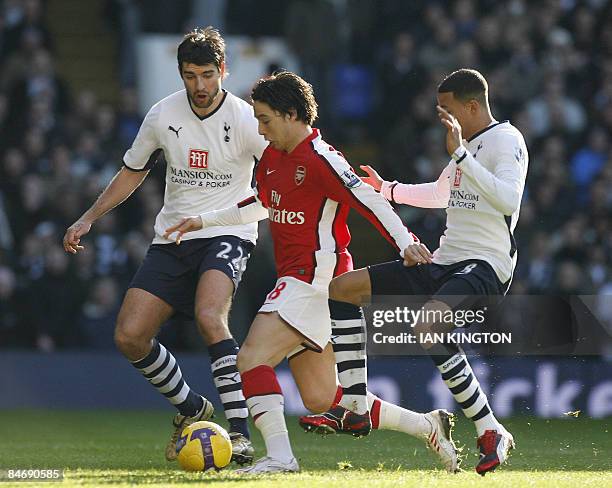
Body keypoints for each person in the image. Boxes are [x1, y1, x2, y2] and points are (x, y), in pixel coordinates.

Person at [164, 71, 459, 474]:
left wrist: (404, 241)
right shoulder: (272, 157)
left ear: (291, 115)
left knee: (250, 358)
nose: (260, 129)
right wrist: (204, 220)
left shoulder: (323, 159)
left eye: (265, 119)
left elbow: (369, 200)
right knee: (322, 398)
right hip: (300, 280)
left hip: (316, 280)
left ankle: (281, 459)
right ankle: (426, 425)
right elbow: (260, 203)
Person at [300, 68, 528, 475]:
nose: (441, 115)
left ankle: (490, 428)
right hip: (444, 260)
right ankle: (355, 403)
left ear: (472, 105)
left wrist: (460, 154)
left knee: (429, 325)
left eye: (447, 108)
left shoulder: (506, 140)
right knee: (342, 289)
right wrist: (388, 189)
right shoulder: (468, 146)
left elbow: (509, 200)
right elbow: (443, 192)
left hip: (486, 264)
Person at [62, 27, 267, 465]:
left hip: (226, 233)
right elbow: (132, 171)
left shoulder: (247, 119)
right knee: (130, 336)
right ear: (181, 74)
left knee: (211, 318)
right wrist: (88, 217)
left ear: (223, 72)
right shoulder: (162, 114)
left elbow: (276, 184)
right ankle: (193, 408)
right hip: (173, 237)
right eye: (190, 75)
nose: (200, 86)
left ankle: (240, 432)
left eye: (208, 75)